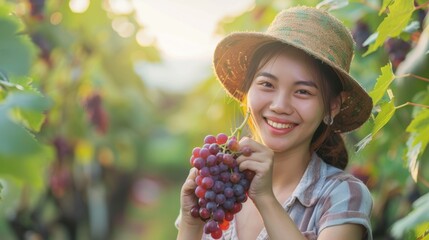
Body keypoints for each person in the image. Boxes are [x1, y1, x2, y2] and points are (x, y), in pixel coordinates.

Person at [176, 5, 373, 240]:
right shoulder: (217, 189)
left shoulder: (342, 195)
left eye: (302, 91)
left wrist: (266, 199)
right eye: (267, 85)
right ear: (247, 92)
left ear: (332, 106)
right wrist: (190, 222)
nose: (280, 105)